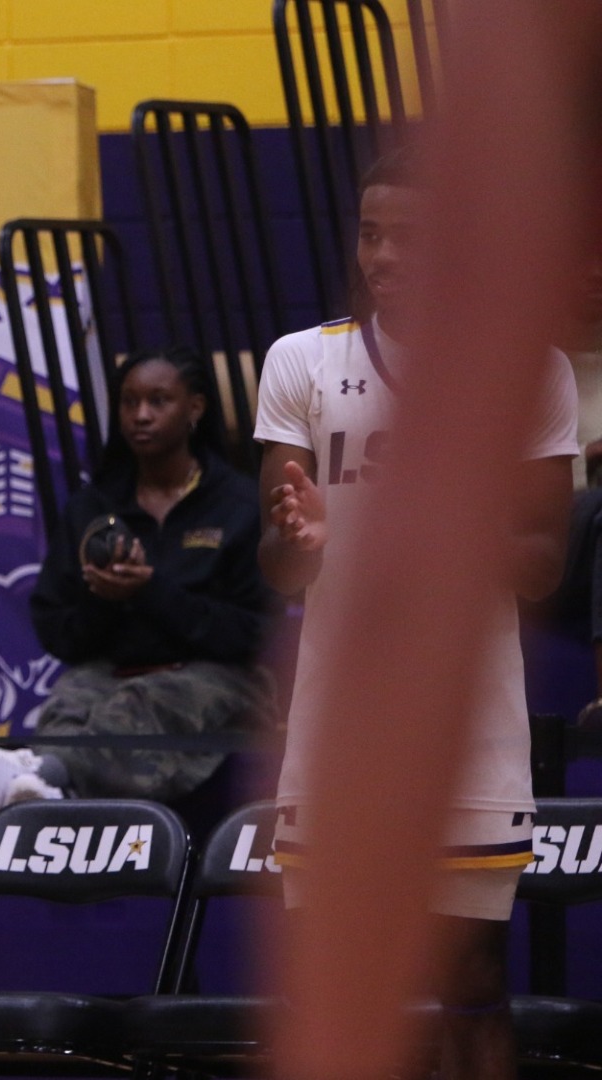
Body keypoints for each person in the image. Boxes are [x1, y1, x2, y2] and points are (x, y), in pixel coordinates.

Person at [256, 147, 577, 1080]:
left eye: (409, 235)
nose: (383, 254)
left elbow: (543, 566)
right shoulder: (301, 362)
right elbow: (276, 569)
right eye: (370, 232)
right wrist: (302, 540)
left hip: (469, 717)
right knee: (334, 987)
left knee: (474, 978)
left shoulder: (527, 371)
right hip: (338, 719)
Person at [0, 346, 271, 819]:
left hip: (223, 676)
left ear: (195, 409)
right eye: (129, 401)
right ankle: (44, 791)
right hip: (111, 666)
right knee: (70, 702)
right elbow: (58, 630)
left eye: (158, 401)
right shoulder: (93, 506)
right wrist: (104, 599)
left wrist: (150, 592)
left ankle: (41, 778)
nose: (140, 415)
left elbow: (257, 635)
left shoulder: (241, 505)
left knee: (146, 700)